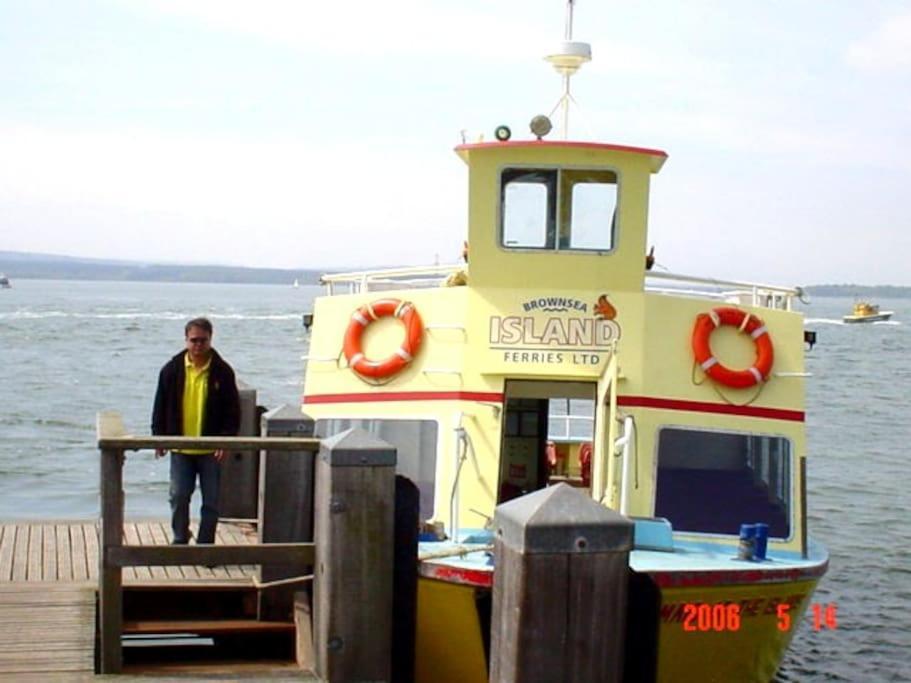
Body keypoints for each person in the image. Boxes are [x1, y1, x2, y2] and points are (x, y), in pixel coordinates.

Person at [152, 318, 240, 545]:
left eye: (203, 340)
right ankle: (180, 538)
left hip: (211, 450)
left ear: (211, 339)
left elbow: (233, 411)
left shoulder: (223, 372)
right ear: (186, 340)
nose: (198, 345)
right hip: (181, 447)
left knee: (211, 501)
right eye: (194, 340)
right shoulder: (171, 370)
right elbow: (160, 405)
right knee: (179, 496)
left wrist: (226, 441)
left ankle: (205, 545)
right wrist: (158, 437)